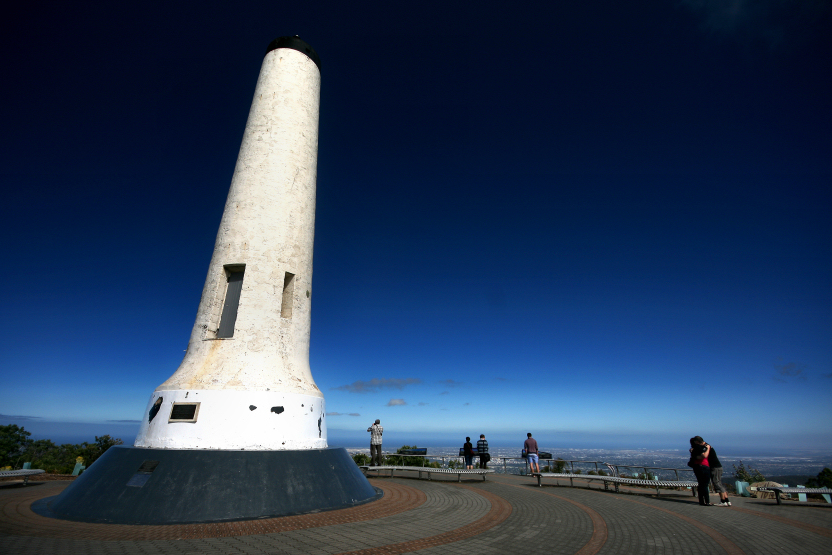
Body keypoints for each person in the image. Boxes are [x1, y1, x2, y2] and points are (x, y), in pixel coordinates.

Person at [696, 436, 731, 506]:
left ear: (698, 442)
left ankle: (723, 501)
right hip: (718, 467)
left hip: (715, 467)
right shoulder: (707, 446)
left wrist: (697, 457)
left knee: (717, 483)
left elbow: (704, 456)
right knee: (719, 484)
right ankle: (727, 501)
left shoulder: (706, 447)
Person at [688, 436, 712, 506]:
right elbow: (704, 456)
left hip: (697, 467)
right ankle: (707, 501)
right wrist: (707, 448)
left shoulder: (693, 449)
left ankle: (701, 501)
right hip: (703, 467)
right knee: (705, 484)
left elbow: (696, 457)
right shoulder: (698, 448)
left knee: (701, 484)